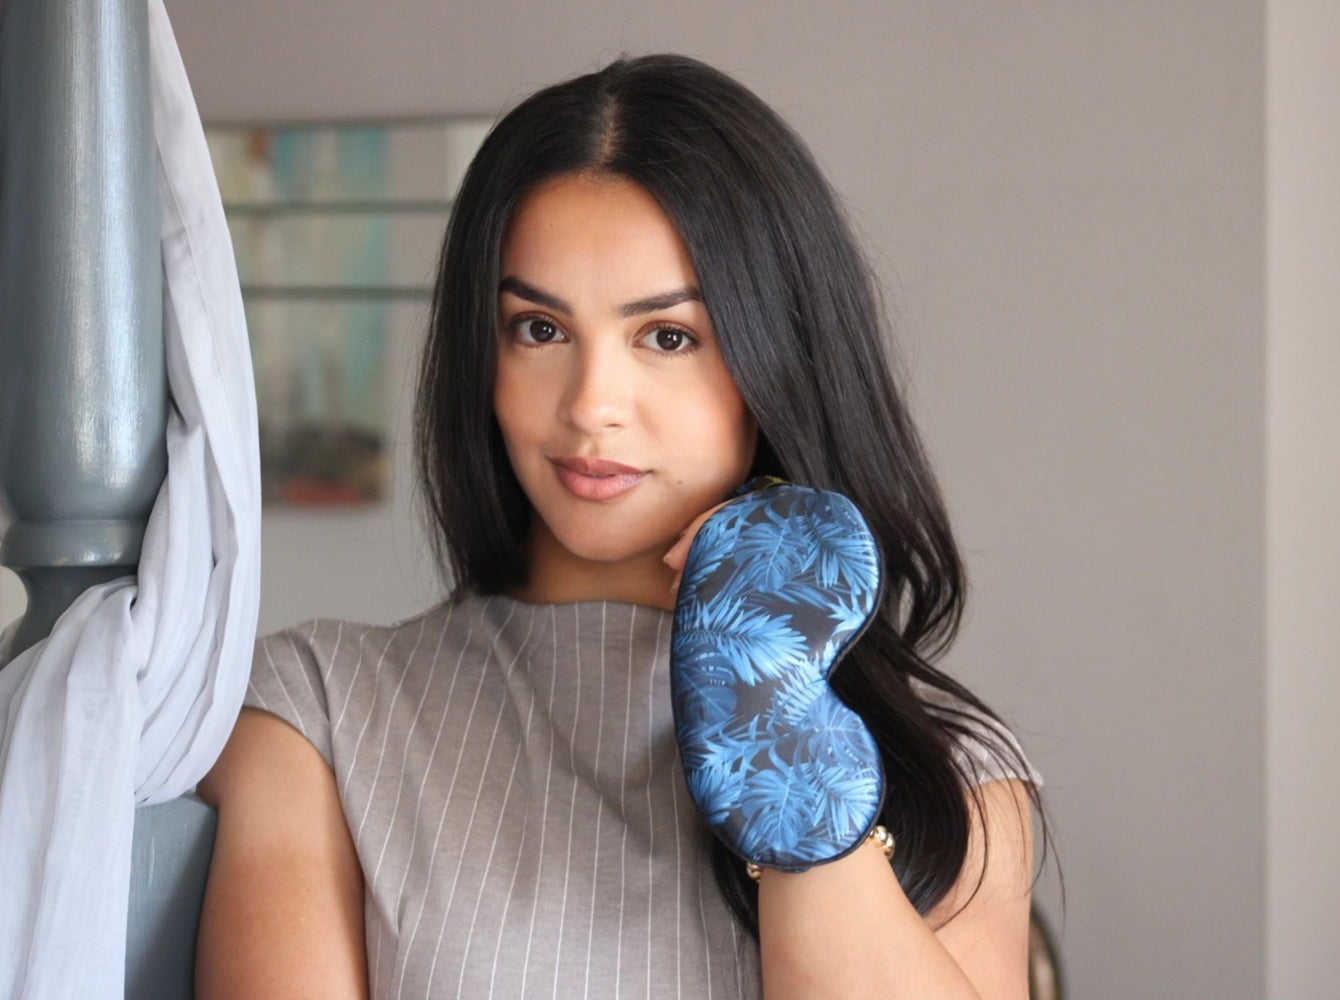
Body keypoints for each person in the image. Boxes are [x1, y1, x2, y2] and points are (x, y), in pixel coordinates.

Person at [195, 54, 1045, 1000]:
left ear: (778, 362)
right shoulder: (314, 713)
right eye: (540, 330)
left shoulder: (953, 776)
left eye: (668, 338)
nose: (592, 406)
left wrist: (773, 727)